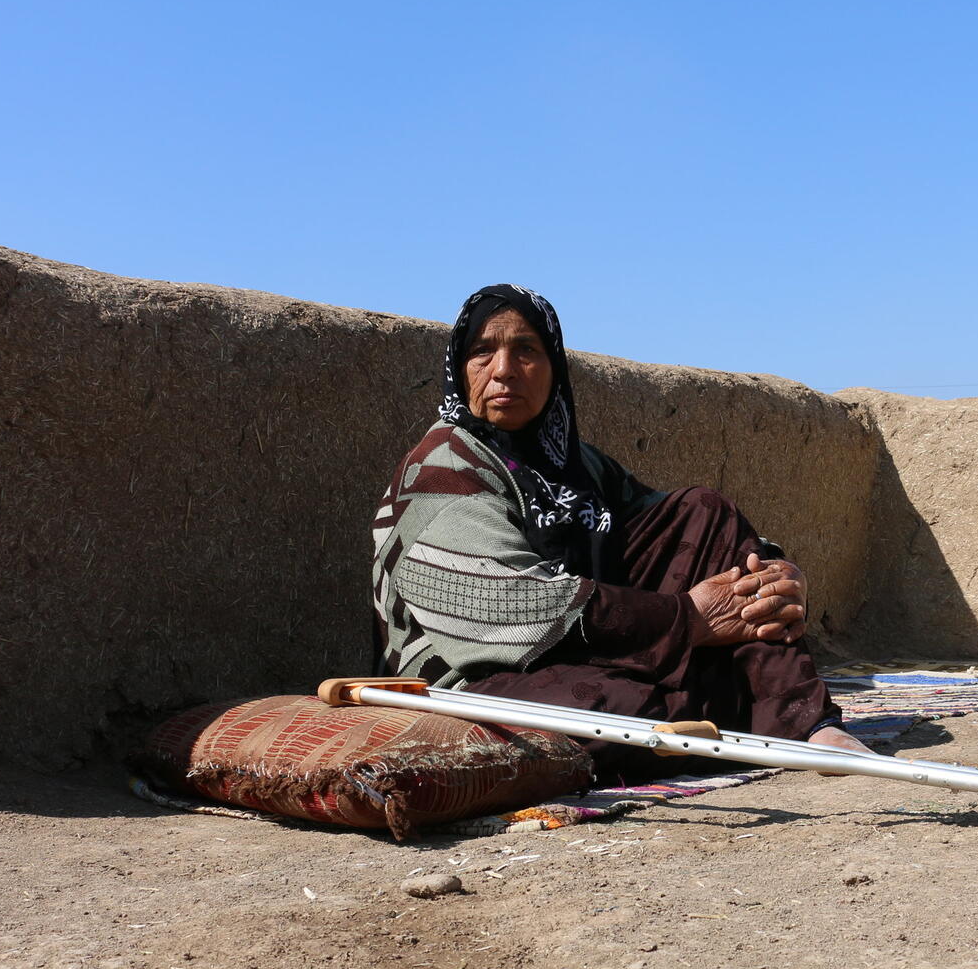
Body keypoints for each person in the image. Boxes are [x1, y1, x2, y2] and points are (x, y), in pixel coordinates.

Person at [371, 284, 874, 782]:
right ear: (460, 368)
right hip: (474, 673)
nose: (503, 370)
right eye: (483, 352)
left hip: (601, 645)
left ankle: (804, 723)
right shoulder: (443, 467)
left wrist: (776, 574)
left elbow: (676, 532)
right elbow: (503, 606)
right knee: (612, 712)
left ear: (555, 369)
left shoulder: (574, 460)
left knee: (705, 509)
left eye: (526, 350)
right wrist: (688, 619)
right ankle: (720, 709)